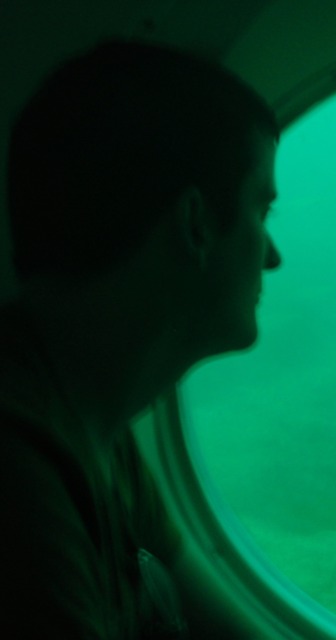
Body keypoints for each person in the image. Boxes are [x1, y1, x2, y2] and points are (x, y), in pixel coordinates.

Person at [0, 38, 282, 639]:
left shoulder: (97, 427)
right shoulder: (16, 466)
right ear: (196, 223)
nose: (274, 255)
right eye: (263, 212)